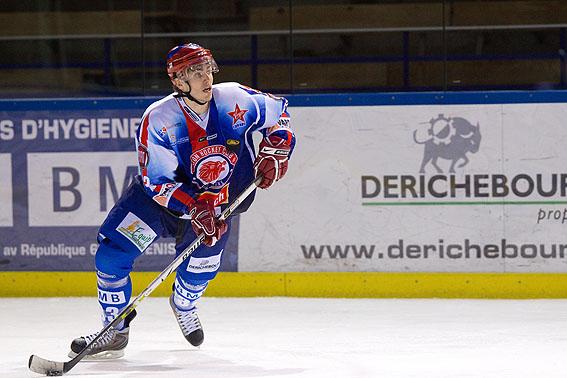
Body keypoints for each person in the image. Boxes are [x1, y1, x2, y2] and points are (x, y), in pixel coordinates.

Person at [68, 42, 296, 359]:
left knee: (200, 270)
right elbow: (156, 182)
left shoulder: (235, 99)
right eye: (195, 73)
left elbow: (279, 111)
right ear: (178, 81)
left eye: (207, 70)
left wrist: (278, 144)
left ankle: (183, 303)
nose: (206, 79)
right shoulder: (159, 119)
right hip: (160, 205)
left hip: (217, 202)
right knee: (111, 255)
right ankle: (114, 330)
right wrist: (192, 207)